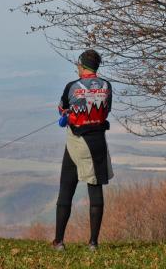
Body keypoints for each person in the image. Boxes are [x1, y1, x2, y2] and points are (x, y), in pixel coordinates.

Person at [52, 49, 113, 251]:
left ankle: (59, 241)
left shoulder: (72, 86)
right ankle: (93, 242)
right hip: (98, 142)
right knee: (95, 189)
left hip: (76, 141)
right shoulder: (106, 86)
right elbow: (107, 110)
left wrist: (69, 115)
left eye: (78, 65)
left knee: (66, 189)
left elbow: (62, 108)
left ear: (83, 65)